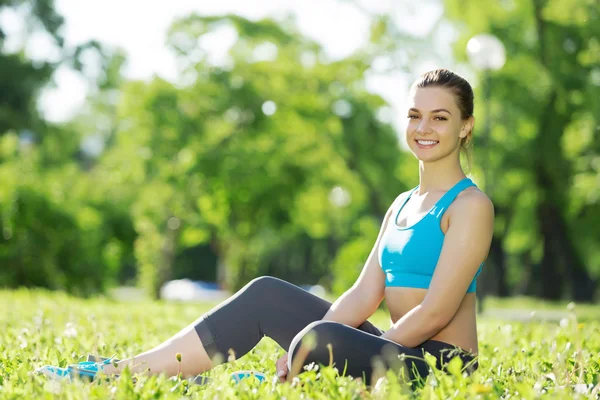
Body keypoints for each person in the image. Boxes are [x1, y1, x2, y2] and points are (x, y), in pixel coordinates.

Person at [37, 68, 494, 387]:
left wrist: (311, 347)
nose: (424, 127)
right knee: (266, 293)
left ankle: (304, 378)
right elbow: (361, 296)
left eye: (440, 117)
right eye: (415, 115)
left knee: (325, 339)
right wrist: (305, 344)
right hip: (392, 351)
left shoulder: (470, 205)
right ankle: (131, 369)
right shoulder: (401, 204)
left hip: (439, 369)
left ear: (465, 128)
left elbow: (435, 313)